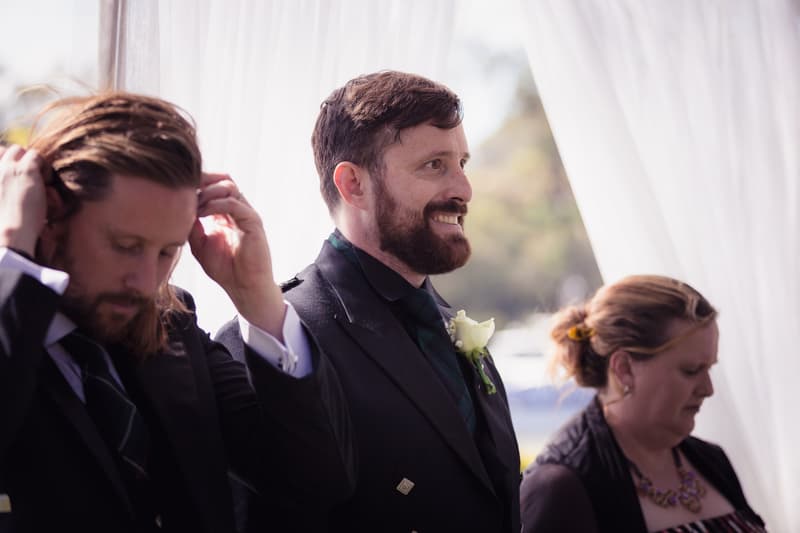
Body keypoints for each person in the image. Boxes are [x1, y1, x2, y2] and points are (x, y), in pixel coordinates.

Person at [0, 92, 353, 532]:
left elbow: (315, 483)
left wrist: (257, 296)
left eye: (168, 251)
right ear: (47, 215)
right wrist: (13, 252)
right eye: (126, 247)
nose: (148, 282)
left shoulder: (174, 324)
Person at [218, 70, 521, 531]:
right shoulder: (276, 340)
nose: (463, 189)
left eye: (463, 163)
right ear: (353, 185)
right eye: (434, 165)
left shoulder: (445, 323)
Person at [519, 275, 766, 532]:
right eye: (691, 370)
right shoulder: (561, 487)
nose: (708, 389)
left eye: (709, 369)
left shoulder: (711, 460)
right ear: (624, 368)